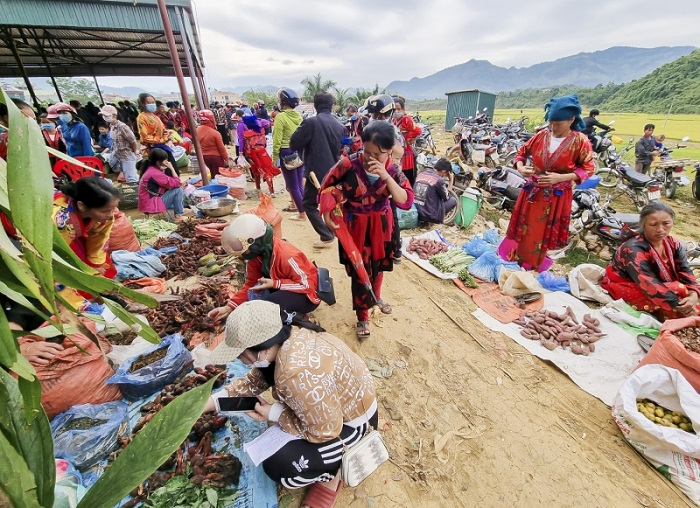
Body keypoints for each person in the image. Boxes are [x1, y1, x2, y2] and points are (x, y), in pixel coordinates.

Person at [207, 300, 377, 507]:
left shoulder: (294, 373)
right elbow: (254, 380)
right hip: (332, 409)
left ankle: (333, 476)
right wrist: (209, 403)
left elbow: (326, 430)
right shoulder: (291, 337)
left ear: (264, 348)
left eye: (241, 354)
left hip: (353, 424)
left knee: (280, 466)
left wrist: (275, 413)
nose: (241, 360)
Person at [319, 121, 414, 339]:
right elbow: (326, 187)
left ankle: (376, 297)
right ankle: (363, 316)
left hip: (381, 226)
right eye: (366, 151)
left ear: (390, 150)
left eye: (378, 155)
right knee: (360, 269)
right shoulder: (347, 165)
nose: (370, 159)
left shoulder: (393, 170)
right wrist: (327, 213)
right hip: (355, 226)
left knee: (378, 266)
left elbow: (405, 201)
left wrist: (386, 176)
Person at [502, 94, 595, 272]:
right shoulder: (541, 136)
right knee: (525, 229)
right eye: (551, 122)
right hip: (533, 192)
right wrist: (521, 167)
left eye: (558, 124)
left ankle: (534, 266)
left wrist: (561, 178)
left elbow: (588, 168)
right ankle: (518, 260)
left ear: (571, 120)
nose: (553, 127)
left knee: (542, 233)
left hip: (556, 196)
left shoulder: (580, 141)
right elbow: (521, 153)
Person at [208, 215, 320, 325]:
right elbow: (251, 284)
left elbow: (307, 286)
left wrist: (275, 283)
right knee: (259, 305)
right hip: (284, 287)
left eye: (242, 248)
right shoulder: (256, 255)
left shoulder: (287, 256)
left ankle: (299, 319)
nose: (240, 253)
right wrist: (229, 307)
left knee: (269, 307)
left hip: (308, 294)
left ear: (255, 243)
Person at [602, 202, 700, 320]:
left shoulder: (674, 244)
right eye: (653, 224)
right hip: (630, 286)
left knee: (686, 291)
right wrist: (678, 304)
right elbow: (648, 283)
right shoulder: (633, 249)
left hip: (660, 286)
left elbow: (685, 271)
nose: (660, 229)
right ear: (644, 225)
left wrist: (694, 294)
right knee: (679, 291)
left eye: (666, 223)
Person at [289, 92, 346, 245]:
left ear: (315, 105)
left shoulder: (311, 122)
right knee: (331, 202)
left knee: (308, 203)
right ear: (332, 105)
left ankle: (326, 234)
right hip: (334, 170)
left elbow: (294, 143)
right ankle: (335, 230)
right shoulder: (339, 124)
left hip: (316, 172)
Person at [54, 177, 119, 277]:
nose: (111, 214)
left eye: (114, 208)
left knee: (103, 271)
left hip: (71, 236)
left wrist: (95, 263)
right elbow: (60, 249)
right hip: (58, 243)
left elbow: (100, 238)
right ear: (81, 206)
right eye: (105, 211)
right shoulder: (60, 218)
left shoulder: (107, 215)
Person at [271, 88, 305, 215]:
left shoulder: (280, 117)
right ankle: (304, 209)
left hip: (286, 152)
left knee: (292, 186)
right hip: (299, 151)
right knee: (299, 184)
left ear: (282, 101)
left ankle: (302, 213)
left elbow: (276, 141)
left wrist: (274, 159)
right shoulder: (298, 116)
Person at [136, 92, 179, 175]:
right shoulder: (141, 117)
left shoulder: (155, 117)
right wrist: (161, 140)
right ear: (142, 104)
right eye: (149, 103)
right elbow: (145, 136)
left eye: (153, 102)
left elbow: (163, 129)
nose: (152, 104)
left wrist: (167, 134)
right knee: (164, 170)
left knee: (172, 168)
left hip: (163, 145)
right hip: (154, 149)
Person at [137, 147, 185, 221]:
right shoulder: (154, 173)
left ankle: (179, 211)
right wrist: (172, 168)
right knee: (178, 190)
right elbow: (178, 183)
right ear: (158, 162)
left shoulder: (151, 169)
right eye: (165, 160)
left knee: (174, 189)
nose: (167, 162)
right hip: (151, 206)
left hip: (147, 204)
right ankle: (179, 215)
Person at [99, 104, 139, 183]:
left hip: (127, 156)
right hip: (119, 157)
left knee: (131, 179)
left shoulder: (122, 127)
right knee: (128, 177)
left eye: (106, 116)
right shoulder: (112, 127)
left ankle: (136, 193)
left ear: (114, 115)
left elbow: (133, 141)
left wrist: (135, 151)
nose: (104, 118)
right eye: (103, 116)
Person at [242, 115, 278, 196]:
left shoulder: (246, 134)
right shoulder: (261, 131)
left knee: (256, 171)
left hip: (253, 153)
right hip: (263, 152)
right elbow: (264, 143)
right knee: (267, 170)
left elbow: (247, 147)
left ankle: (258, 187)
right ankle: (272, 191)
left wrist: (248, 156)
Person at [413, 158, 457, 224]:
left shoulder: (421, 174)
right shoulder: (439, 180)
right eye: (446, 174)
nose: (445, 176)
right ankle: (435, 221)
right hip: (429, 215)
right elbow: (447, 197)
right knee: (453, 200)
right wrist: (451, 180)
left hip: (415, 211)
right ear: (443, 171)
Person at [392, 96, 422, 186]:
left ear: (403, 109)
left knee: (406, 176)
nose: (396, 111)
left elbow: (418, 130)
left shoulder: (406, 119)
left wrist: (410, 138)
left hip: (406, 152)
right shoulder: (393, 119)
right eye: (394, 109)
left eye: (399, 109)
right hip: (396, 152)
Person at [196, 109, 230, 179]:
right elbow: (221, 148)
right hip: (216, 157)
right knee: (219, 176)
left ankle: (213, 187)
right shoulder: (215, 133)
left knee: (212, 175)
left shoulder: (197, 130)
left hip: (204, 157)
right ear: (211, 119)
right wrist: (227, 159)